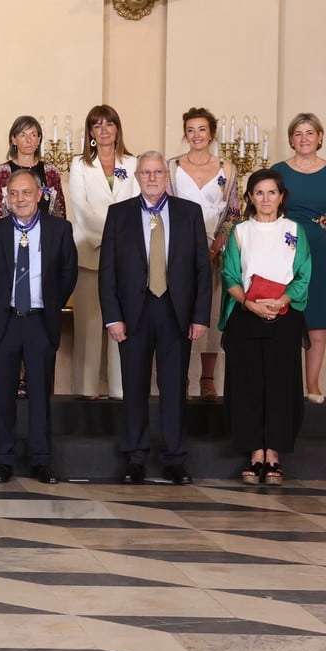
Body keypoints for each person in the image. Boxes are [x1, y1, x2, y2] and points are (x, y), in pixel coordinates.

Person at [99, 151, 212, 485]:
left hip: (175, 312)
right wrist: (112, 318)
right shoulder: (118, 215)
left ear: (167, 175)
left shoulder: (189, 213)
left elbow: (202, 271)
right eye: (145, 173)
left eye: (157, 172)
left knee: (174, 388)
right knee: (133, 388)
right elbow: (108, 272)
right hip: (134, 312)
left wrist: (199, 316)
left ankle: (175, 460)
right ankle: (135, 459)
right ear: (136, 177)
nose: (151, 178)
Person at [0, 168, 78, 484]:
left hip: (39, 321)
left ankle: (41, 460)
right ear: (7, 198)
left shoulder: (59, 230)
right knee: (3, 395)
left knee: (39, 395)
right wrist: (1, 303)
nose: (20, 198)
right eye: (14, 194)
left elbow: (67, 273)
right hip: (4, 321)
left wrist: (48, 303)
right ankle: (4, 460)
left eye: (26, 192)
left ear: (39, 195)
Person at [219, 169, 312, 486]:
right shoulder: (240, 232)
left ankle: (274, 454)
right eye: (259, 193)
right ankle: (254, 452)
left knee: (280, 385)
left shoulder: (294, 231)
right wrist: (249, 303)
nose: (266, 199)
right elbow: (230, 275)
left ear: (281, 196)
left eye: (272, 192)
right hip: (248, 315)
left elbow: (303, 274)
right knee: (249, 385)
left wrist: (283, 300)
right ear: (249, 198)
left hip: (284, 316)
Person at [271, 113, 326, 403]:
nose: (304, 139)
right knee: (286, 319)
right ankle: (286, 386)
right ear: (291, 139)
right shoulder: (279, 170)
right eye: (298, 133)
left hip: (320, 248)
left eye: (309, 133)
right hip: (285, 248)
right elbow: (266, 208)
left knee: (316, 321)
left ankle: (313, 385)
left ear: (320, 137)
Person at [0, 115, 67, 400]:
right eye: (23, 134)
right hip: (11, 252)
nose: (29, 140)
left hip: (43, 254)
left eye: (34, 134)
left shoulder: (51, 172)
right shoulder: (1, 171)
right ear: (13, 139)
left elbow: (59, 212)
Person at [167, 107, 240, 402]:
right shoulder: (171, 167)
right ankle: (179, 375)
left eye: (201, 129)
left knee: (208, 312)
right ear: (185, 134)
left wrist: (214, 247)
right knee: (178, 310)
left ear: (211, 133)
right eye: (190, 130)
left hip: (214, 249)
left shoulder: (228, 168)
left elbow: (234, 211)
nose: (196, 135)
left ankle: (207, 377)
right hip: (178, 250)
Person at [68, 104, 138, 400]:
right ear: (91, 133)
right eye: (98, 125)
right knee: (89, 325)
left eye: (109, 124)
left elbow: (138, 205)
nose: (104, 129)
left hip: (127, 257)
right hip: (90, 254)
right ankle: (85, 392)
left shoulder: (134, 164)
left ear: (117, 128)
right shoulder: (80, 165)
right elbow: (81, 209)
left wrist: (122, 243)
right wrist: (111, 238)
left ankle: (120, 391)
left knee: (122, 325)